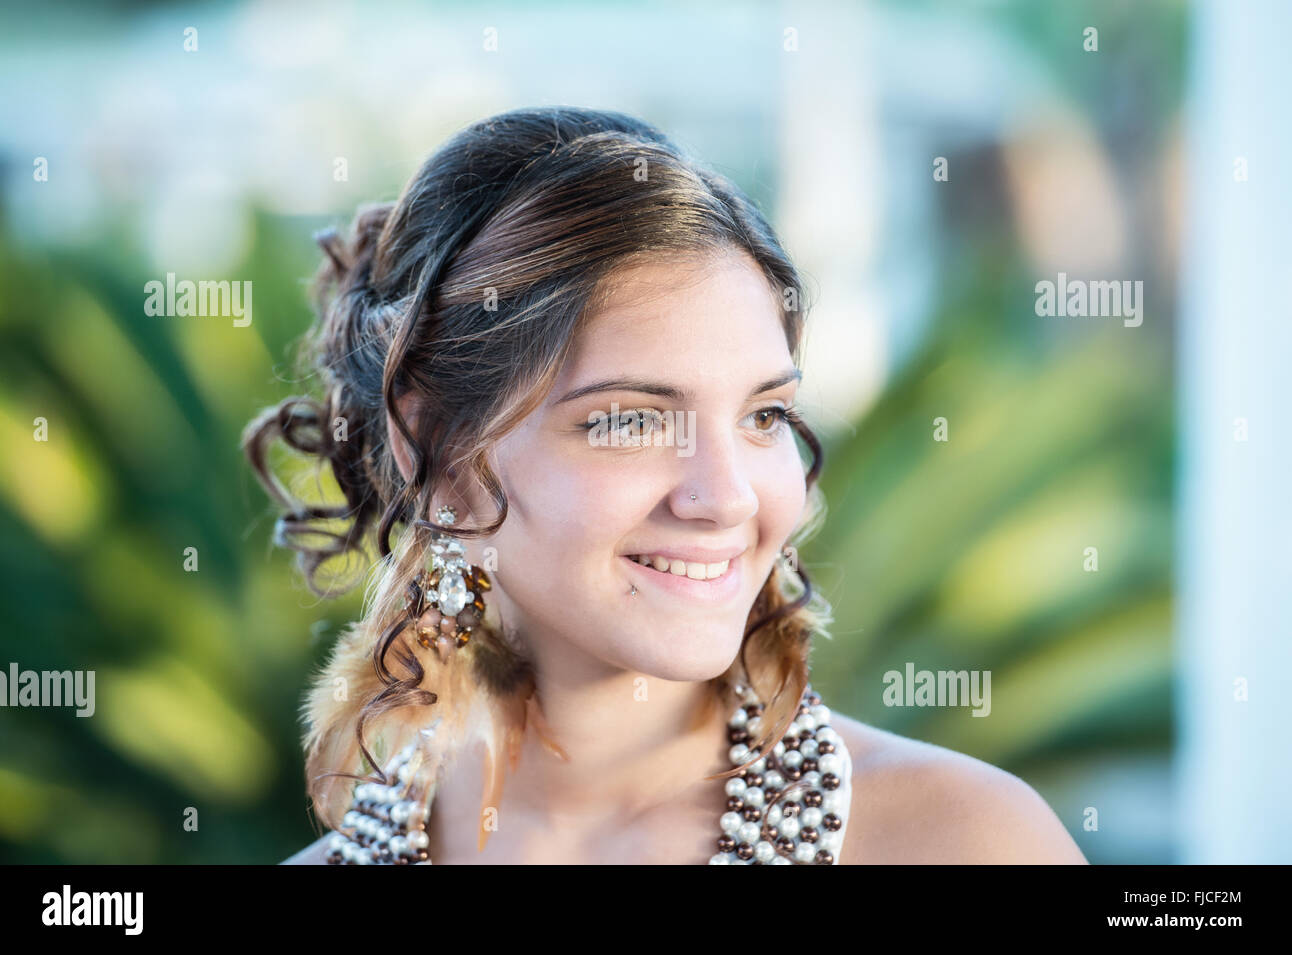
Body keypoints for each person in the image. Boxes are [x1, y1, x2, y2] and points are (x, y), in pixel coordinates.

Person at [245, 106, 1087, 865]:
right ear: (436, 443)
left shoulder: (963, 841)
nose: (726, 498)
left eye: (763, 417)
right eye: (632, 421)